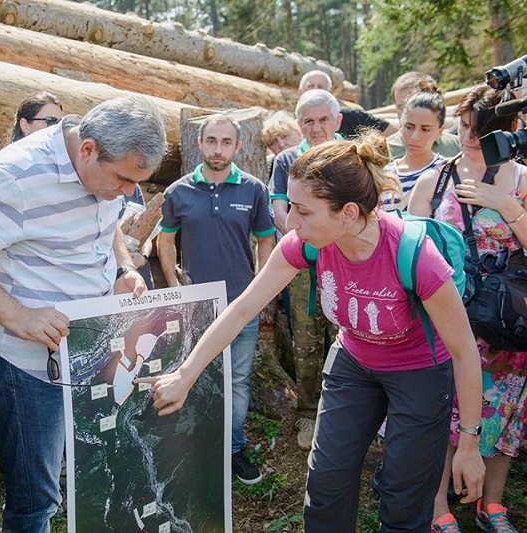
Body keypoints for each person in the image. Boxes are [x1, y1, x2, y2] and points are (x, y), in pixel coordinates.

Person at [138, 132, 485, 533]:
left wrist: (470, 444)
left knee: (404, 496)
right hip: (354, 363)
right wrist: (187, 373)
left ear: (348, 213)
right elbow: (244, 307)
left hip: (420, 372)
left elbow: (464, 353)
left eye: (303, 211)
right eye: (290, 207)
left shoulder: (416, 258)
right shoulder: (306, 243)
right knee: (326, 482)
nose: (291, 221)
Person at [0, 95, 166, 532]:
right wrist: (18, 316)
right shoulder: (17, 175)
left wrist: (122, 268)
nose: (130, 193)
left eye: (138, 182)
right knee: (37, 498)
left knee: (89, 473)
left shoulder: (106, 174)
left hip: (91, 347)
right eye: (124, 179)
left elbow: (107, 218)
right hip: (28, 366)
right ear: (89, 149)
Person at [409, 85, 527, 533]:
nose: (471, 139)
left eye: (483, 131)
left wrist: (507, 207)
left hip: (506, 322)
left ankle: (491, 505)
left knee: (503, 411)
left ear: (509, 130)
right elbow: (411, 243)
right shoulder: (435, 179)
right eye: (463, 129)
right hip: (448, 316)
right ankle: (439, 507)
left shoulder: (521, 179)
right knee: (445, 410)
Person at [157, 113, 275, 483]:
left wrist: (261, 287)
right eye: (211, 141)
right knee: (195, 377)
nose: (218, 149)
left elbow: (267, 239)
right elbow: (164, 239)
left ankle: (234, 448)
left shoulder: (253, 189)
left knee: (237, 380)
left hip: (242, 304)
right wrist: (175, 286)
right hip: (197, 307)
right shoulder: (178, 192)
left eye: (226, 142)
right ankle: (198, 450)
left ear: (239, 147)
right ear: (199, 144)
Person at [269, 89, 342, 449]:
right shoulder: (286, 159)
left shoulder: (350, 156)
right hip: (304, 264)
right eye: (308, 121)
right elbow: (280, 210)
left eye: (323, 120)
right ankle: (308, 413)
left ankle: (350, 414)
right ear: (299, 125)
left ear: (337, 121)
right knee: (306, 339)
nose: (316, 128)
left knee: (348, 335)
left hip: (347, 263)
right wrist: (304, 238)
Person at [381, 89, 448, 211]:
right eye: (409, 127)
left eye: (425, 129)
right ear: (401, 125)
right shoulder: (385, 175)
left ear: (440, 131)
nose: (415, 137)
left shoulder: (446, 172)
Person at [299, 70, 396, 138]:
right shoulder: (291, 124)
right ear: (300, 92)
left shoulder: (350, 117)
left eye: (320, 86)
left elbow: (390, 131)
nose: (316, 90)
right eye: (310, 86)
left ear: (330, 92)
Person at [388, 72, 461, 160]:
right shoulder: (384, 151)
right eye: (401, 107)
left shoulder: (458, 147)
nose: (406, 112)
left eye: (415, 103)